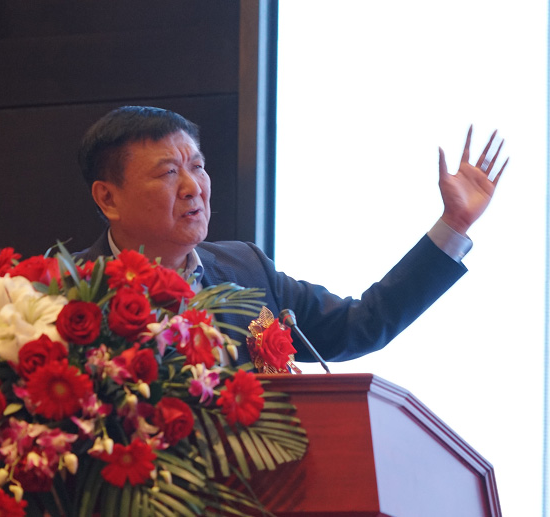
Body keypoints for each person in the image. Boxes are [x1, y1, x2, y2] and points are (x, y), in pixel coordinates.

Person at [74, 106, 507, 365]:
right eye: (169, 172)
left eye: (198, 167)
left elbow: (360, 324)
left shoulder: (246, 269)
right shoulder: (62, 296)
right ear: (108, 198)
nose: (193, 187)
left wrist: (452, 226)